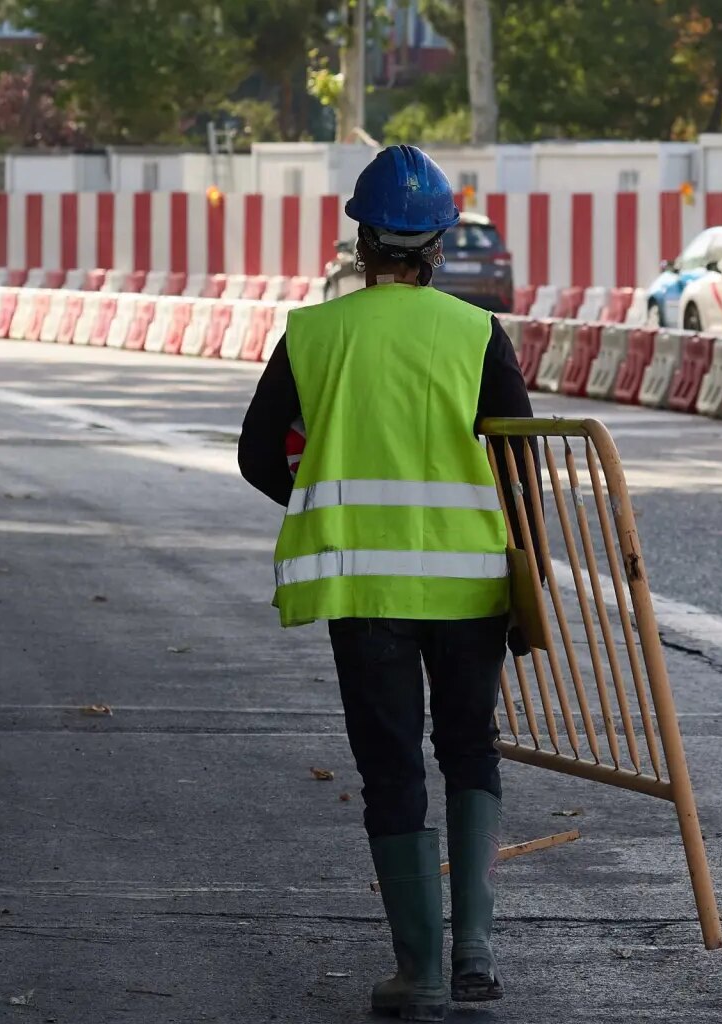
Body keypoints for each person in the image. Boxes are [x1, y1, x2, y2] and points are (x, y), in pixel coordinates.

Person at [238, 144, 532, 1019]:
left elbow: (258, 455)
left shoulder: (314, 336)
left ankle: (423, 971)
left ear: (363, 242)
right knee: (470, 746)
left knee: (392, 763)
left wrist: (322, 493)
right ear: (437, 244)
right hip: (470, 584)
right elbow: (519, 463)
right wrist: (529, 584)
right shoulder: (478, 334)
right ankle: (476, 950)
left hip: (364, 590)